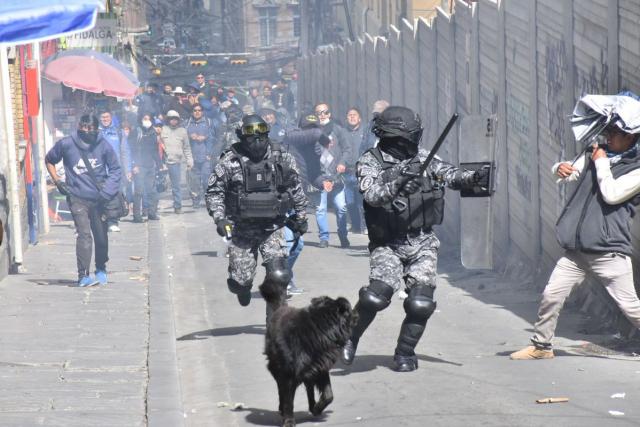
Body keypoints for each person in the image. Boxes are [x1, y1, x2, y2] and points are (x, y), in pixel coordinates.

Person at [341, 106, 487, 372]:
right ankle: (350, 337)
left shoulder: (424, 158)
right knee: (377, 296)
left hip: (422, 241)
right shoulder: (370, 161)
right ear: (396, 137)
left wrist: (473, 177)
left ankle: (405, 353)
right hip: (387, 242)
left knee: (421, 303)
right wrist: (398, 184)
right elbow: (371, 194)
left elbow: (450, 175)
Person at [510, 122, 640, 360]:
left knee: (631, 307)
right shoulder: (596, 153)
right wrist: (559, 168)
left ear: (630, 136)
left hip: (608, 250)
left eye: (614, 133)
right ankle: (541, 346)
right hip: (577, 250)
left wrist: (601, 162)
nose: (608, 137)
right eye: (607, 131)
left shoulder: (636, 168)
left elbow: (612, 194)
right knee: (552, 295)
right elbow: (569, 173)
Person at [205, 114, 308, 316]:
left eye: (261, 134)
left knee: (279, 275)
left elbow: (296, 187)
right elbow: (214, 192)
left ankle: (274, 324)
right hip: (241, 229)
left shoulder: (282, 157)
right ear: (242, 137)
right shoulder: (230, 160)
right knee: (240, 282)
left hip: (273, 226)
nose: (257, 140)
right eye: (251, 136)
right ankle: (242, 289)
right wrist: (220, 219)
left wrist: (301, 217)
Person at [45, 114, 123, 287]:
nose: (88, 131)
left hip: (99, 198)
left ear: (97, 128)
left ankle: (101, 268)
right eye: (85, 127)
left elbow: (116, 169)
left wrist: (107, 191)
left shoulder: (103, 145)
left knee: (101, 236)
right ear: (79, 126)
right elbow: (49, 160)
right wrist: (58, 181)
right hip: (77, 197)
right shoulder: (66, 144)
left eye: (92, 128)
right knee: (84, 235)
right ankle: (83, 275)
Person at [314, 102, 351, 248]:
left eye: (325, 112)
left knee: (341, 207)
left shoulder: (338, 130)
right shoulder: (312, 131)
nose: (322, 115)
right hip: (319, 176)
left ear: (329, 114)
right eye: (319, 113)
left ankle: (343, 235)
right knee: (320, 209)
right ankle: (324, 238)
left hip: (336, 175)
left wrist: (342, 163)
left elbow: (347, 149)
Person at [98, 110, 130, 232]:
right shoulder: (95, 132)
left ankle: (113, 221)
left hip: (115, 170)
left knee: (115, 195)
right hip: (99, 170)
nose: (105, 119)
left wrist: (128, 169)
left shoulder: (119, 132)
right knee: (100, 196)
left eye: (107, 117)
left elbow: (125, 152)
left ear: (111, 118)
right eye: (102, 117)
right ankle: (102, 220)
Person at [130, 113, 161, 222]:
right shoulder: (136, 131)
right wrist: (134, 164)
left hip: (150, 166)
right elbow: (131, 149)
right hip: (139, 166)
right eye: (145, 118)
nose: (147, 121)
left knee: (152, 191)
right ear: (141, 119)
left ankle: (152, 213)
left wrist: (159, 164)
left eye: (149, 119)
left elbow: (155, 150)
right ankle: (137, 216)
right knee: (139, 192)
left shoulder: (153, 132)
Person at [161, 110, 193, 213]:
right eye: (171, 119)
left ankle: (177, 206)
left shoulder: (182, 131)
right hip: (163, 162)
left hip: (176, 162)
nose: (173, 121)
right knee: (159, 186)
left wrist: (190, 160)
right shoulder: (163, 130)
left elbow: (187, 147)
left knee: (176, 186)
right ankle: (151, 209)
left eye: (175, 119)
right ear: (168, 120)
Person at [185, 103, 215, 208]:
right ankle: (196, 201)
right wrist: (189, 136)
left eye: (199, 110)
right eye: (195, 110)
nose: (197, 112)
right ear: (192, 112)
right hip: (192, 157)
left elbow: (212, 139)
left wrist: (205, 138)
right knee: (194, 181)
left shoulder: (208, 122)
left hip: (205, 156)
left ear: (202, 112)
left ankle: (208, 200)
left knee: (207, 180)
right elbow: (183, 139)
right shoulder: (187, 123)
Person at [344, 107, 366, 234]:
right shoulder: (343, 133)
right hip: (347, 172)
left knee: (361, 202)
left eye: (354, 115)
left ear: (359, 118)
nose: (352, 117)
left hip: (361, 172)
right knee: (350, 202)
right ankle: (355, 226)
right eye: (349, 115)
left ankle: (364, 226)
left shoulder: (365, 133)